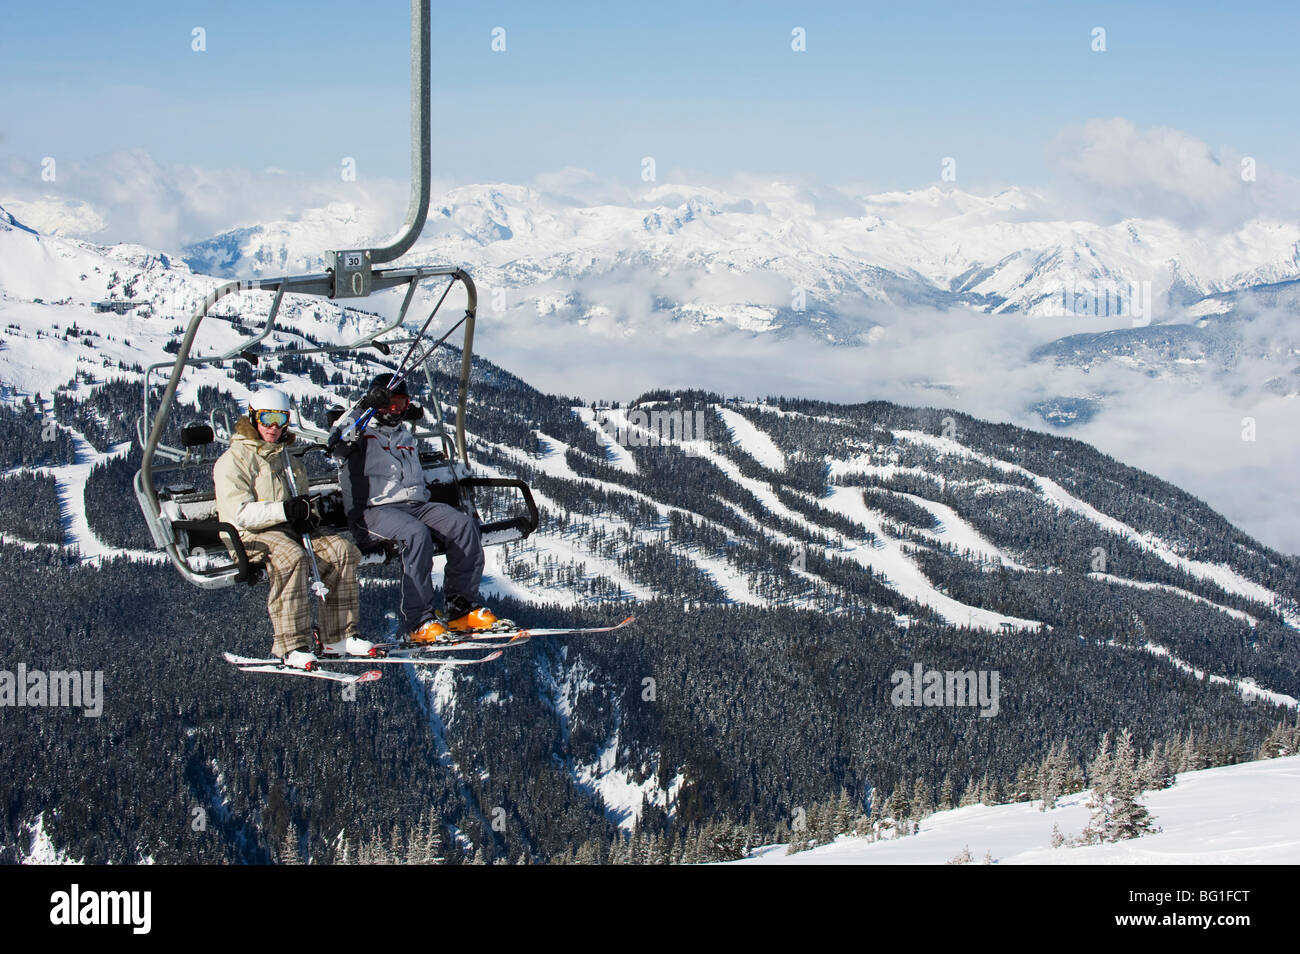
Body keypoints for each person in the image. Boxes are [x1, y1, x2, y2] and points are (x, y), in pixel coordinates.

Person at [331, 373, 500, 643]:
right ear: (376, 403)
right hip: (373, 512)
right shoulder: (361, 433)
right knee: (415, 534)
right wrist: (364, 405)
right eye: (387, 404)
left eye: (400, 404)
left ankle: (461, 608)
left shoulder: (404, 435)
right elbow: (336, 442)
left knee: (464, 526)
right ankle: (417, 620)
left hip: (415, 506)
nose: (394, 410)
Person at [213, 388, 371, 667]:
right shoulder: (233, 461)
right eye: (266, 418)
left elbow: (299, 504)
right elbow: (241, 514)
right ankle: (292, 645)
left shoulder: (289, 462)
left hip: (287, 532)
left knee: (341, 550)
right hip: (248, 537)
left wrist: (306, 515)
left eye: (280, 419)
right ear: (252, 418)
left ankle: (338, 636)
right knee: (292, 558)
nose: (273, 427)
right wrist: (285, 510)